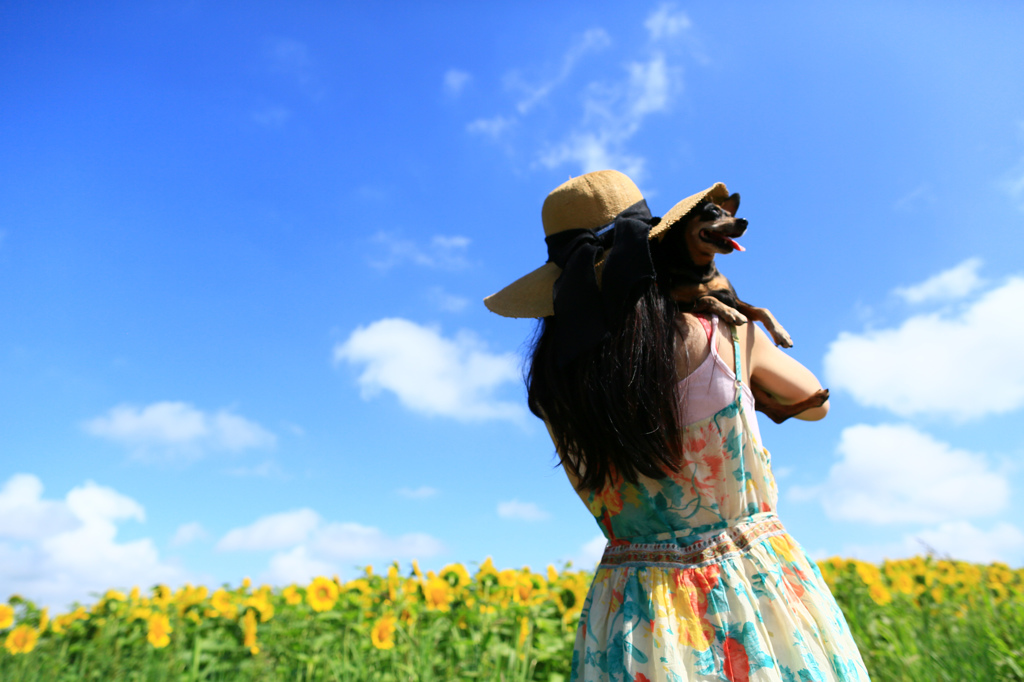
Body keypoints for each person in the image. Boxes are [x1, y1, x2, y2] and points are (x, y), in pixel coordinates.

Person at [484, 170, 870, 682]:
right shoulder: (727, 336)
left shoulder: (557, 390)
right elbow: (814, 403)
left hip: (632, 613)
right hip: (750, 587)